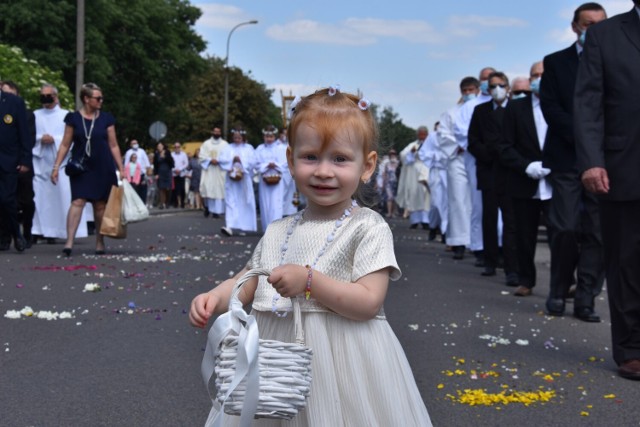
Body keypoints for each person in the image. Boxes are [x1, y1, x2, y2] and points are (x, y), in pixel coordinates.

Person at [189, 87, 432, 426]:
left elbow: (368, 302)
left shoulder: (367, 227)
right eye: (310, 157)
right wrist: (215, 298)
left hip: (347, 364)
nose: (323, 171)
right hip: (276, 364)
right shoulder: (278, 228)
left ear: (367, 165)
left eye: (340, 159)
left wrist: (309, 282)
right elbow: (248, 281)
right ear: (291, 160)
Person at [574, 1, 640, 380]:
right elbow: (588, 104)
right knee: (628, 260)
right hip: (624, 165)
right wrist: (591, 160)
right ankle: (632, 348)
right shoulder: (605, 36)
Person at [540, 2, 607, 323]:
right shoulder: (556, 63)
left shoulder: (616, 60)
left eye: (600, 24)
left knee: (598, 231)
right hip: (567, 157)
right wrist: (584, 136)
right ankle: (558, 289)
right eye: (588, 23)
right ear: (575, 26)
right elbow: (551, 110)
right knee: (564, 227)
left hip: (608, 159)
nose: (593, 29)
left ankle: (586, 298)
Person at [50, 82, 124, 256]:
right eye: (98, 98)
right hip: (81, 167)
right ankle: (69, 243)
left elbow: (113, 145)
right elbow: (65, 144)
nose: (101, 101)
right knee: (77, 201)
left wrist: (121, 168)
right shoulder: (73, 118)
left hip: (103, 166)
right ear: (86, 99)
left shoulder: (106, 118)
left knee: (100, 205)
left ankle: (100, 242)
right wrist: (56, 167)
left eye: (101, 98)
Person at [499, 62, 553, 298]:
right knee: (524, 234)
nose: (538, 79)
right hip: (524, 181)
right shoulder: (516, 108)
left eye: (542, 74)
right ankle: (526, 280)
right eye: (535, 75)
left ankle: (565, 282)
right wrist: (526, 166)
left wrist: (554, 163)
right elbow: (504, 145)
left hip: (556, 182)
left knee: (563, 233)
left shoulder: (562, 103)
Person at [468, 71, 518, 286]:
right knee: (489, 216)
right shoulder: (481, 111)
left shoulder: (516, 109)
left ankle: (511, 266)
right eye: (493, 85)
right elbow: (473, 141)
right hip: (488, 170)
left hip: (510, 171)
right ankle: (490, 260)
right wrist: (489, 153)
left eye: (501, 85)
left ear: (507, 87)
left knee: (511, 220)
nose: (497, 89)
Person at [32, 83, 88, 244]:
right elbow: (30, 136)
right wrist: (40, 139)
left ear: (55, 97)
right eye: (42, 95)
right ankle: (38, 230)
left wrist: (54, 140)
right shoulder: (35, 115)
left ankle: (61, 231)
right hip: (41, 162)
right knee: (40, 198)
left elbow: (70, 139)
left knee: (61, 198)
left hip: (61, 163)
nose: (45, 98)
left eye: (48, 95)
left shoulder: (66, 115)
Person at [454, 67, 496, 267]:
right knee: (479, 204)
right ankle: (480, 246)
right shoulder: (469, 108)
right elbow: (463, 134)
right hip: (477, 159)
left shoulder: (504, 104)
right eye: (485, 80)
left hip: (503, 161)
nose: (489, 83)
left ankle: (502, 246)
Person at [437, 77, 478, 260]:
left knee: (477, 201)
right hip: (457, 158)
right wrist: (459, 144)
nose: (468, 93)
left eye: (471, 90)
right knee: (458, 200)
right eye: (465, 90)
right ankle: (459, 241)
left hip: (477, 157)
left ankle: (477, 242)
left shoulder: (481, 108)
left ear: (477, 89)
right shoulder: (451, 113)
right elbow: (443, 135)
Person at [0, 81, 31, 252]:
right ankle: (4, 237)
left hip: (8, 160)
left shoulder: (14, 102)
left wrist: (26, 159)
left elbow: (23, 133)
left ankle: (16, 234)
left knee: (7, 199)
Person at [217, 129, 257, 236]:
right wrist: (231, 163)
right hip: (231, 180)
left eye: (239, 138)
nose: (237, 140)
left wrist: (241, 162)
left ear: (243, 137)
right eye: (235, 137)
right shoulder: (228, 148)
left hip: (244, 179)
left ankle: (244, 226)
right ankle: (229, 226)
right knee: (231, 200)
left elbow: (253, 162)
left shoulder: (249, 148)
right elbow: (221, 160)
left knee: (244, 201)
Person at [254, 124, 288, 231]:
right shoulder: (260, 148)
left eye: (271, 137)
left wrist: (276, 165)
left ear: (275, 137)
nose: (269, 139)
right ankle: (266, 228)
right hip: (265, 180)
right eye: (267, 137)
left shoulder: (281, 148)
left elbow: (286, 162)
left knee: (276, 203)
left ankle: (276, 229)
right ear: (264, 136)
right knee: (265, 204)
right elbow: (255, 163)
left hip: (277, 180)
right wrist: (266, 166)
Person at [396, 126, 430, 229]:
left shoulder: (431, 145)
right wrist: (411, 152)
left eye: (424, 134)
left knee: (426, 196)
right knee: (414, 195)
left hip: (426, 171)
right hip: (414, 174)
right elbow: (403, 154)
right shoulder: (413, 144)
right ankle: (415, 220)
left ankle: (426, 220)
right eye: (420, 134)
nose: (422, 136)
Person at [199, 126, 228, 218]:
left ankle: (217, 211)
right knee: (207, 188)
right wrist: (210, 160)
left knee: (219, 190)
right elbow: (201, 156)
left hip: (220, 170)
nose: (216, 133)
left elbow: (228, 157)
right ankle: (207, 207)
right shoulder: (206, 144)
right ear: (212, 132)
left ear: (220, 133)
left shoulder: (225, 144)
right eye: (215, 131)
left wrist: (218, 160)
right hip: (209, 169)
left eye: (218, 132)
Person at [153, 142, 174, 209]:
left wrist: (165, 157)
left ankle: (167, 202)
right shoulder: (156, 154)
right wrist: (156, 174)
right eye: (158, 146)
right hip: (160, 172)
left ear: (163, 146)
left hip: (167, 172)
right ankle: (162, 203)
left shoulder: (167, 152)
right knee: (161, 188)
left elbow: (171, 162)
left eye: (160, 146)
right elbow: (155, 165)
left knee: (168, 188)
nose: (159, 147)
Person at [171, 142, 188, 208]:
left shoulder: (183, 154)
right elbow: (170, 164)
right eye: (175, 147)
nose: (177, 148)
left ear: (180, 147)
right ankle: (175, 203)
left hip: (181, 174)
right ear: (174, 148)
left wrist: (180, 169)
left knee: (182, 189)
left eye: (178, 147)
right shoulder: (171, 154)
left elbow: (186, 163)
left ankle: (182, 203)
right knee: (174, 189)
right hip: (174, 174)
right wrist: (175, 169)